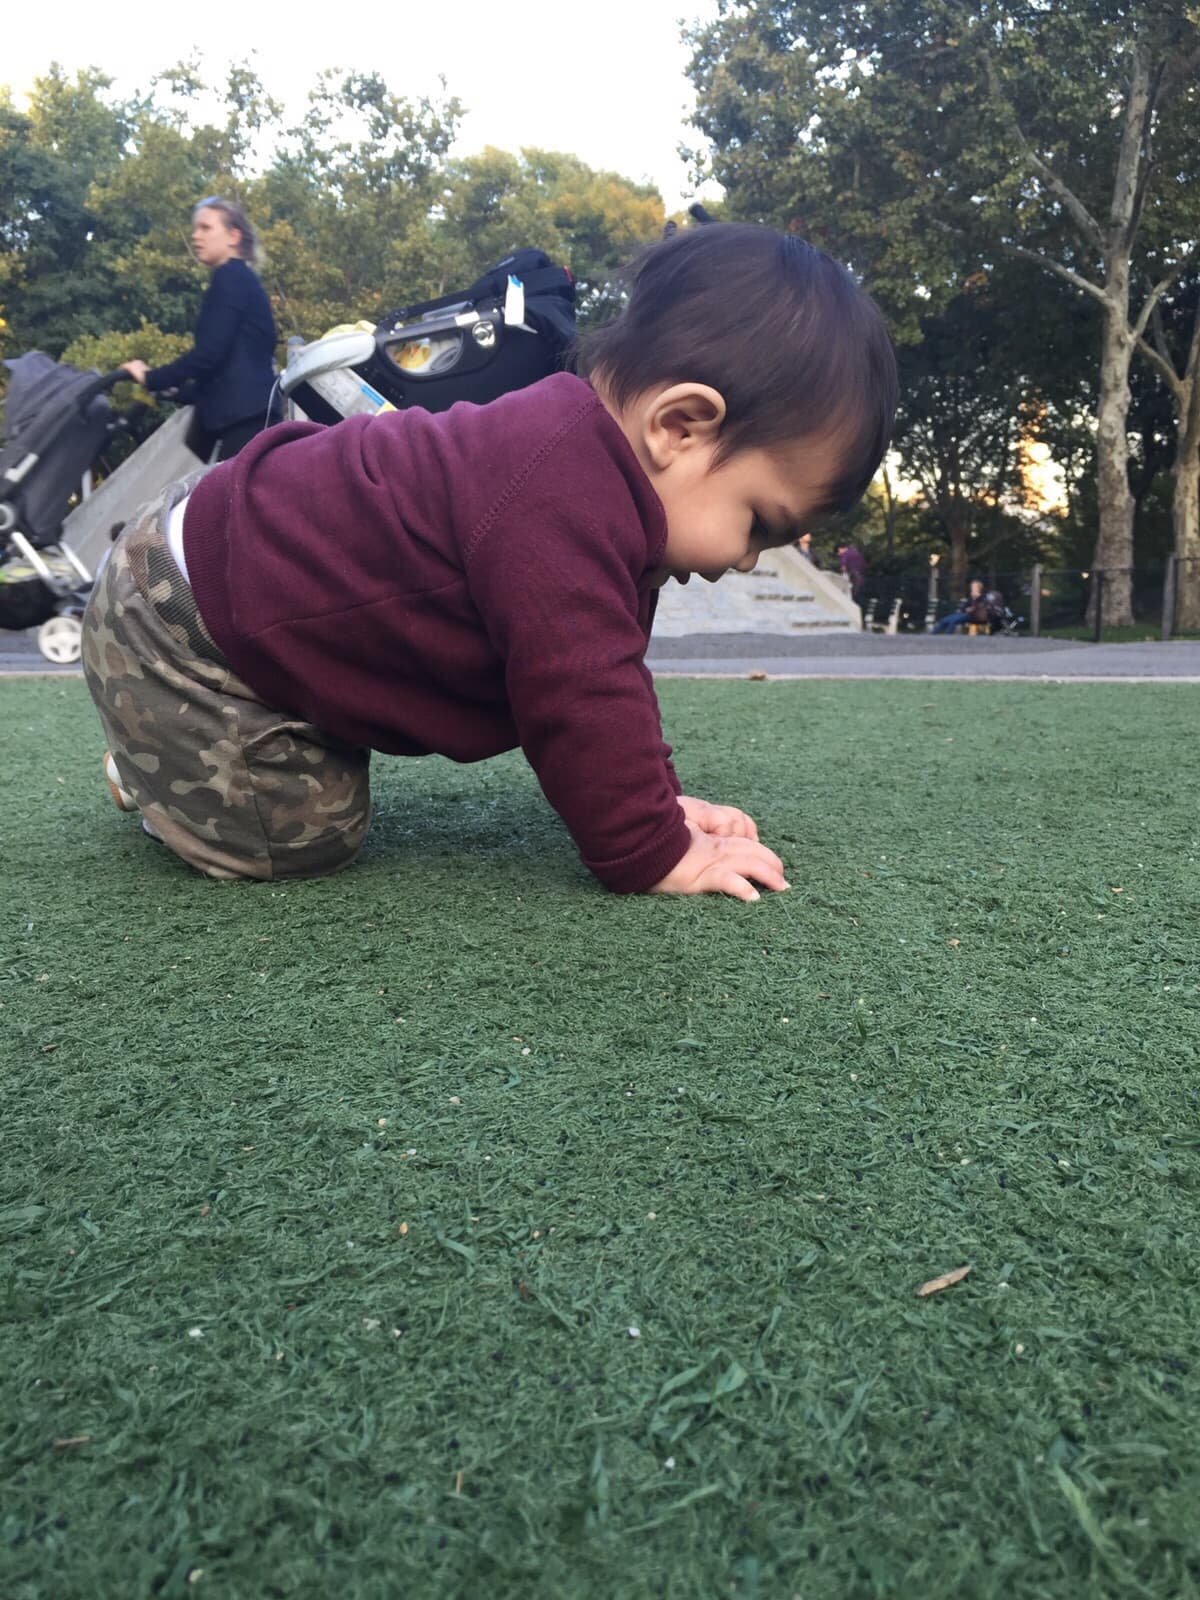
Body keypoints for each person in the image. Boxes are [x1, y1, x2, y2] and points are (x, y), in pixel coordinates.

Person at [85, 223, 898, 900]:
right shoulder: (560, 493)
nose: (747, 562)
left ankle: (173, 746)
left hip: (217, 564)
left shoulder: (582, 465)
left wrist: (660, 802)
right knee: (304, 833)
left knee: (318, 768)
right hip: (178, 617)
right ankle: (165, 768)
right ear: (679, 426)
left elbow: (610, 682)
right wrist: (654, 848)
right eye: (758, 524)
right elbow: (579, 692)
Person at [121, 197, 278, 463]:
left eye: (205, 228)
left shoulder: (229, 277)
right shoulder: (243, 280)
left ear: (233, 236)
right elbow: (228, 369)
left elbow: (208, 355)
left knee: (226, 490)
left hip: (245, 421)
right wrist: (174, 391)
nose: (196, 236)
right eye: (196, 228)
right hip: (253, 417)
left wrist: (151, 378)